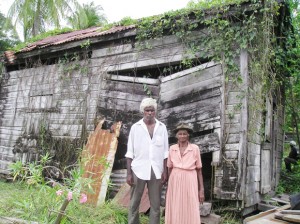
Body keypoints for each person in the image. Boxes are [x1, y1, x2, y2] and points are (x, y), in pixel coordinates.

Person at [125, 97, 169, 224]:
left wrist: (165, 171)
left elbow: (166, 153)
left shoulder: (162, 127)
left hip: (156, 170)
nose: (150, 113)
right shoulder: (135, 127)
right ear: (143, 111)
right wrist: (128, 174)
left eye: (152, 110)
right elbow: (129, 152)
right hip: (138, 169)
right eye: (147, 110)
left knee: (155, 205)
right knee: (134, 203)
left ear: (155, 111)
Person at [165, 123, 204, 224]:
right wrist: (169, 185)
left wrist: (201, 189)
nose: (182, 136)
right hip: (175, 179)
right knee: (176, 204)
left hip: (190, 178)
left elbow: (199, 170)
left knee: (190, 203)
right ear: (176, 136)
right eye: (180, 134)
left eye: (184, 134)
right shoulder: (172, 148)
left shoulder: (194, 148)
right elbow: (169, 167)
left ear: (188, 135)